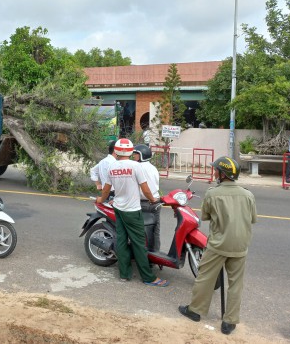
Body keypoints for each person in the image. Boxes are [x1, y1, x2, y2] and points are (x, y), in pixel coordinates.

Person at [179, 156, 257, 335]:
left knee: (205, 277)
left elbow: (205, 216)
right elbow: (252, 219)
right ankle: (229, 322)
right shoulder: (248, 195)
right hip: (240, 246)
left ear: (223, 174)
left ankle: (195, 311)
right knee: (236, 284)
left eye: (216, 170)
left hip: (218, 244)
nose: (214, 172)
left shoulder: (213, 193)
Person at [97, 138, 169, 287]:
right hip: (133, 210)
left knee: (122, 241)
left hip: (118, 208)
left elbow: (106, 189)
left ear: (116, 151)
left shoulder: (112, 167)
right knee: (139, 243)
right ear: (131, 151)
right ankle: (148, 277)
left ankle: (124, 274)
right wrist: (153, 200)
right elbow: (145, 188)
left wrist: (100, 199)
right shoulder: (136, 166)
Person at [132, 144, 161, 253]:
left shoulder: (138, 168)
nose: (134, 156)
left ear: (141, 155)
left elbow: (145, 189)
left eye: (135, 154)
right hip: (156, 203)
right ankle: (156, 253)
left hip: (144, 203)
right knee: (155, 231)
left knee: (140, 231)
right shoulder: (153, 167)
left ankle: (140, 254)